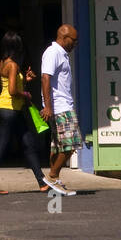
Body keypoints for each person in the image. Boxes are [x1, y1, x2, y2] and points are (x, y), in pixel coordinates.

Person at [0, 31, 47, 195]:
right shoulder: (13, 65)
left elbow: (9, 84)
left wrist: (25, 80)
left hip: (8, 109)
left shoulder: (3, 62)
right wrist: (26, 94)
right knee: (4, 145)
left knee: (27, 143)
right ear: (17, 47)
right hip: (9, 109)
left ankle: (42, 181)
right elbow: (12, 91)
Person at [40, 24, 80, 196]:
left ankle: (54, 181)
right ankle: (52, 176)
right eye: (73, 40)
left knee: (57, 146)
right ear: (64, 38)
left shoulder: (61, 54)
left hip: (62, 105)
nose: (75, 44)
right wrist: (48, 106)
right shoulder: (53, 52)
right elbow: (45, 78)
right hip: (60, 107)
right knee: (72, 144)